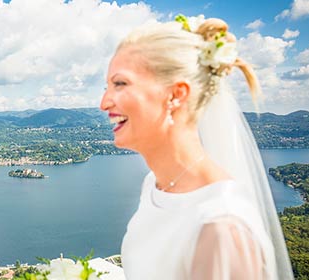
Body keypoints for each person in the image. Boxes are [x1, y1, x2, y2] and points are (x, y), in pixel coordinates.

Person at [100, 16, 294, 279]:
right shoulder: (156, 186)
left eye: (120, 84)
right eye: (107, 86)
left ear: (176, 94)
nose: (104, 102)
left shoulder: (221, 226)